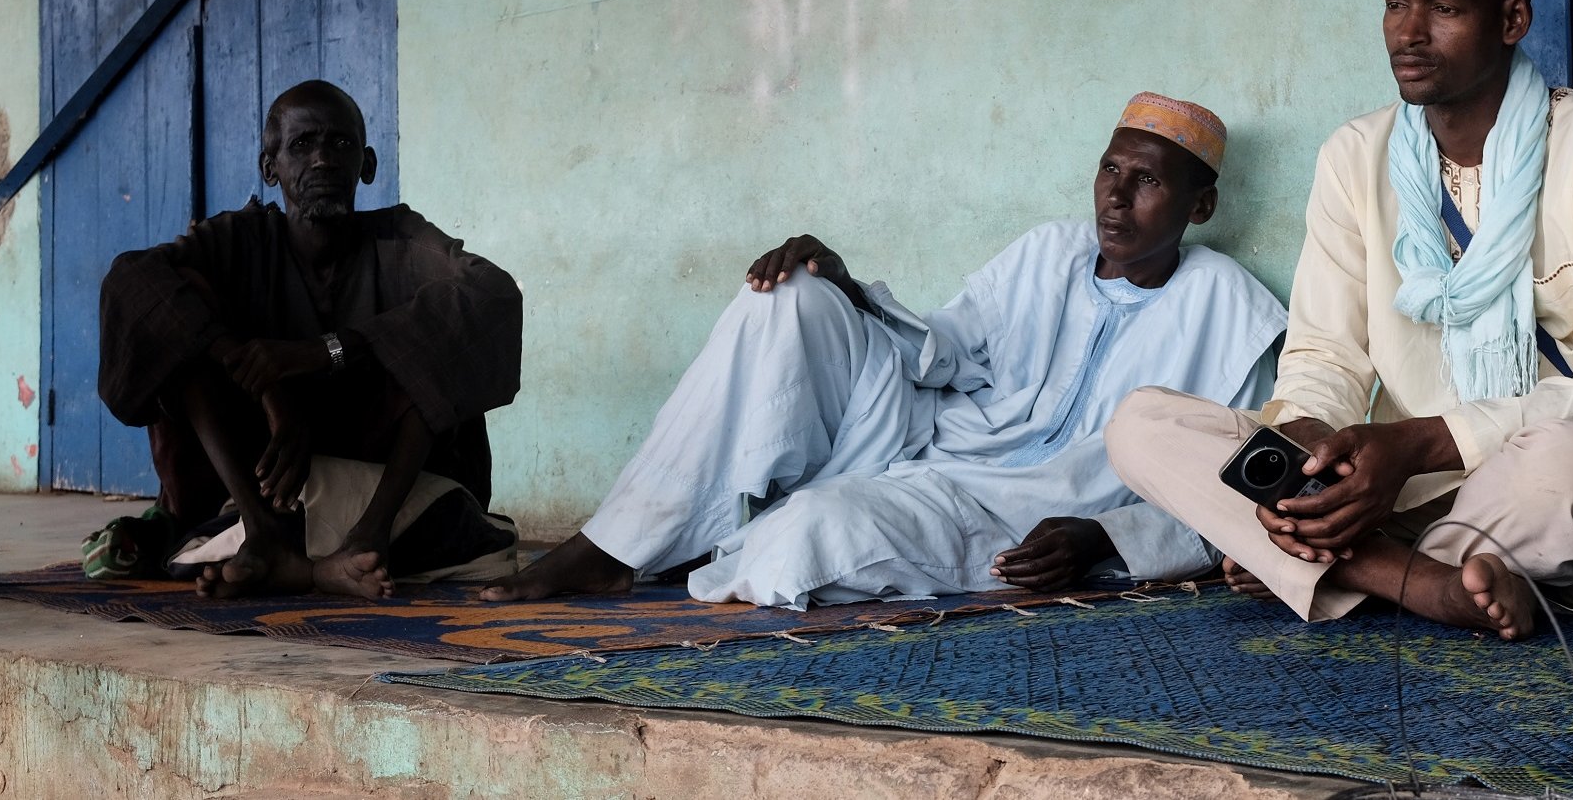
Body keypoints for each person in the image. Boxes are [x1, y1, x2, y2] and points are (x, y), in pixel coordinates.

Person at [1106, 0, 1573, 640]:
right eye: (1395, 5)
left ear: (1511, 20)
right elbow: (1325, 357)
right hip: (1397, 497)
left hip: (1542, 496)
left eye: (1443, 9)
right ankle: (1426, 581)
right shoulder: (1355, 157)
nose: (1408, 33)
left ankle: (1339, 565)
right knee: (1142, 423)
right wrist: (1303, 458)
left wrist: (1423, 441)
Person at [478, 93, 1287, 608]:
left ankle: (671, 544)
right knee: (788, 297)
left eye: (1146, 181)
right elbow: (948, 348)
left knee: (803, 537)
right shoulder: (1050, 249)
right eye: (1110, 169)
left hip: (1013, 504)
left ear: (1201, 203)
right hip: (927, 429)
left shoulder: (1233, 310)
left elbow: (1234, 494)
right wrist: (847, 285)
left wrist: (1104, 539)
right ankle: (609, 545)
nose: (1115, 195)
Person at [93, 80, 524, 599]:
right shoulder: (238, 241)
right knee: (174, 302)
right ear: (269, 167)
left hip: (382, 483)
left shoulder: (399, 242)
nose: (322, 160)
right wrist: (267, 386)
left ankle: (365, 541)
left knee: (448, 317)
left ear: (366, 166)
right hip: (266, 482)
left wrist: (326, 352)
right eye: (302, 145)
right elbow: (132, 282)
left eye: (340, 144)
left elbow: (493, 294)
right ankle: (262, 534)